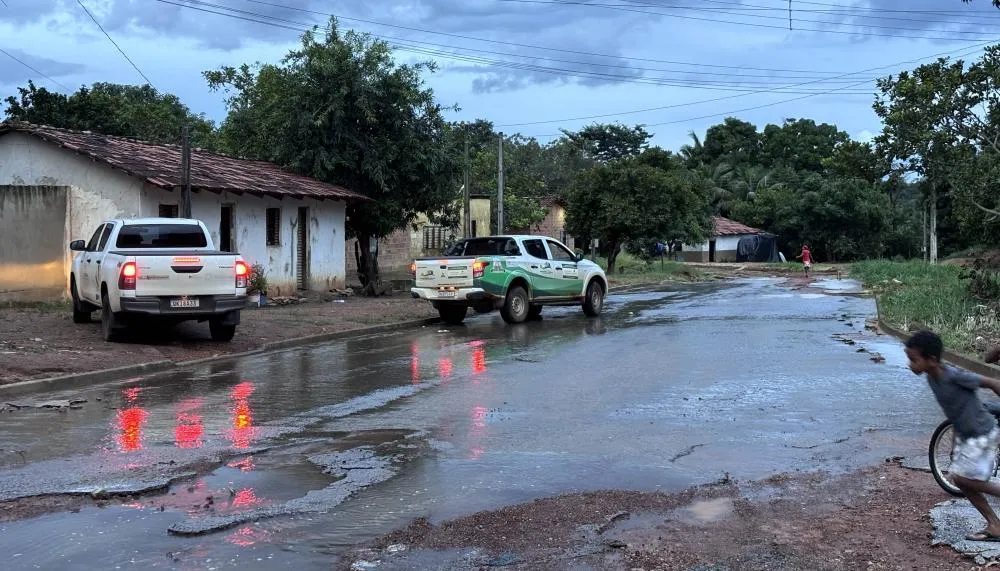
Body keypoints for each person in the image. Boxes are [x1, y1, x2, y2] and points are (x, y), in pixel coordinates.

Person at [906, 330, 1000, 541]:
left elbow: (993, 382)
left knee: (960, 478)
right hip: (970, 437)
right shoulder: (933, 380)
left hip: (984, 433)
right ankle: (995, 525)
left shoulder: (953, 375)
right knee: (962, 482)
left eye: (914, 359)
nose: (910, 364)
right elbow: (955, 411)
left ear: (931, 359)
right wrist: (956, 443)